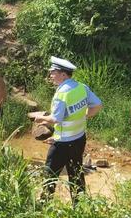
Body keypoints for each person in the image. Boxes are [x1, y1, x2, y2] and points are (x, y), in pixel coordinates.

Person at [34, 57, 103, 204]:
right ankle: (80, 206)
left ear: (63, 75)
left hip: (62, 143)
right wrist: (84, 116)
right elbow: (97, 105)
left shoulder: (61, 94)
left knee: (50, 174)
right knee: (76, 173)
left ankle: (42, 205)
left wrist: (41, 118)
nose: (50, 75)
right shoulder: (81, 87)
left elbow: (55, 119)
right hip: (79, 139)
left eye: (53, 72)